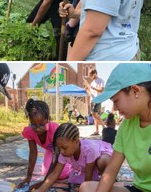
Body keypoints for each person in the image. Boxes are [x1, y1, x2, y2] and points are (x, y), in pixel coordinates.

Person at [81, 63, 151, 192]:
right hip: (139, 189)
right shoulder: (126, 126)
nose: (114, 108)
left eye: (116, 101)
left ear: (135, 91)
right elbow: (111, 171)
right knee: (87, 188)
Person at [35, 123, 113, 192]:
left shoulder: (89, 149)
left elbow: (88, 176)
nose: (61, 151)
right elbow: (55, 173)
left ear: (76, 141)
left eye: (64, 148)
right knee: (75, 182)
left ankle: (106, 179)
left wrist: (86, 188)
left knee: (102, 162)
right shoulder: (64, 151)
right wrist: (39, 190)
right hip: (87, 166)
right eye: (59, 148)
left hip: (103, 156)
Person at [18, 99, 71, 189]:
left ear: (48, 120)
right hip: (51, 151)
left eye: (42, 125)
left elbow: (57, 155)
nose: (38, 129)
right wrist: (28, 176)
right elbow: (33, 153)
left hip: (64, 151)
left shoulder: (55, 130)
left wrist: (44, 182)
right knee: (47, 172)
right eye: (34, 125)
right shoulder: (30, 131)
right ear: (30, 121)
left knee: (63, 173)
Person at [86, 69, 106, 136]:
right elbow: (91, 93)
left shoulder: (101, 80)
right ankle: (97, 131)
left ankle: (104, 127)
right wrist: (87, 90)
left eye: (91, 75)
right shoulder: (92, 83)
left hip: (98, 99)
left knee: (94, 114)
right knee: (94, 116)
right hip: (92, 100)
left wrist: (93, 88)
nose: (90, 76)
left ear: (95, 74)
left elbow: (102, 90)